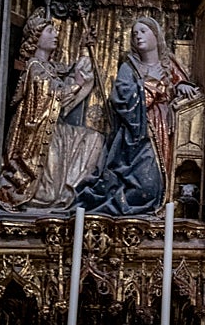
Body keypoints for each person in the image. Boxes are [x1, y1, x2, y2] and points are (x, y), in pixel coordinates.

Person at [76, 17, 198, 215]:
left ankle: (163, 205)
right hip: (137, 134)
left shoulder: (169, 63)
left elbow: (178, 82)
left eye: (143, 31)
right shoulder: (129, 67)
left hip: (165, 129)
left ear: (156, 35)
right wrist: (150, 86)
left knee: (159, 180)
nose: (138, 36)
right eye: (134, 33)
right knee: (144, 185)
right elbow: (122, 99)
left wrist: (181, 84)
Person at [0, 8, 104, 211]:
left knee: (94, 139)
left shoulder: (50, 67)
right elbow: (53, 94)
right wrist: (76, 86)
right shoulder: (35, 67)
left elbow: (71, 70)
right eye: (49, 31)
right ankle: (47, 194)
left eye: (55, 31)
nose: (56, 35)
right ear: (36, 38)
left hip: (53, 128)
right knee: (48, 192)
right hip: (37, 135)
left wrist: (84, 47)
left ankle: (70, 189)